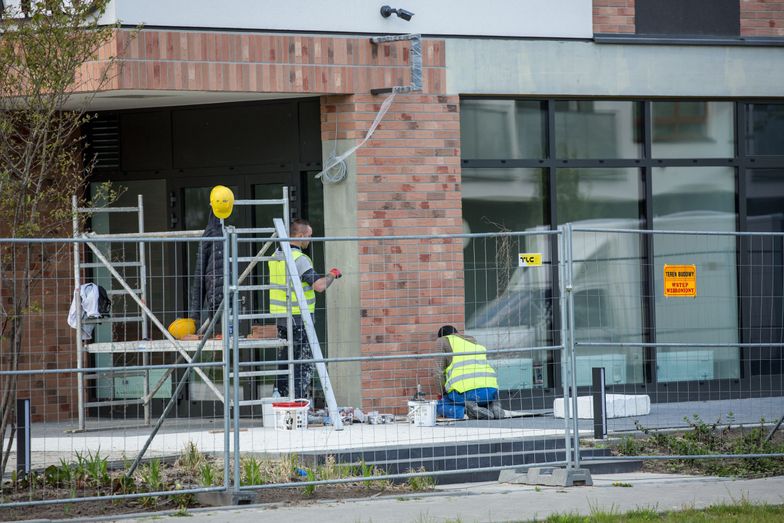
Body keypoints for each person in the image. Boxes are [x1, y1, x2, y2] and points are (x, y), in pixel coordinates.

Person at [268, 218, 342, 400]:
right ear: (300, 236)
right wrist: (332, 275)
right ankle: (299, 403)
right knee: (302, 364)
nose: (310, 240)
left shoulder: (276, 255)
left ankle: (281, 399)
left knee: (285, 362)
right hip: (299, 319)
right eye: (309, 236)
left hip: (282, 318)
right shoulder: (299, 259)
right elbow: (319, 286)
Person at [435, 325, 505, 420]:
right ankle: (493, 405)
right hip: (490, 391)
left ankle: (467, 411)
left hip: (466, 393)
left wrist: (442, 392)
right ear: (457, 333)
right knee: (483, 400)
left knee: (440, 405)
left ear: (442, 336)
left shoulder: (442, 341)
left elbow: (438, 373)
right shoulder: (472, 342)